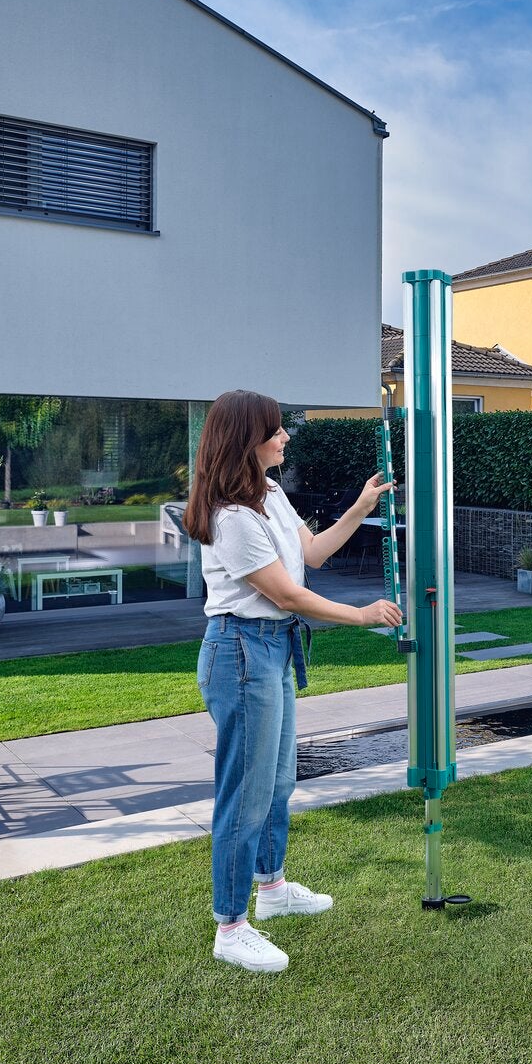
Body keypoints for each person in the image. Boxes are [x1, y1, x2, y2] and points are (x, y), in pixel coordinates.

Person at [183, 390, 401, 973]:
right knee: (246, 793)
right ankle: (230, 926)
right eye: (276, 431)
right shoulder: (230, 517)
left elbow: (313, 554)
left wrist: (360, 506)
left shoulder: (271, 494)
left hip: (273, 651)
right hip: (241, 652)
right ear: (245, 442)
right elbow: (284, 594)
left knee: (278, 781)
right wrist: (361, 616)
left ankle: (272, 889)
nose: (285, 438)